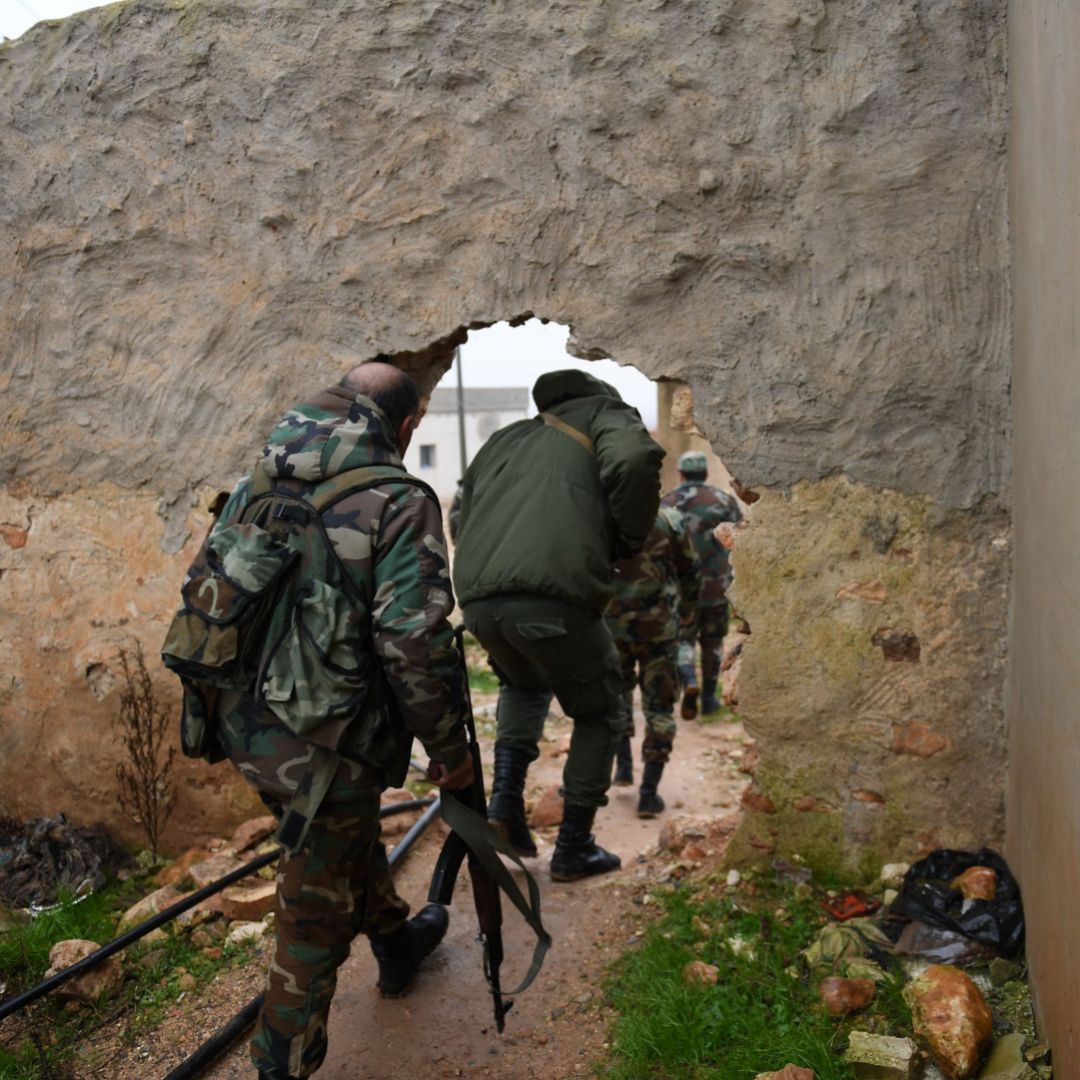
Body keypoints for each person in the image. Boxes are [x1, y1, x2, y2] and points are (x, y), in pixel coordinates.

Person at [196, 363, 473, 1080]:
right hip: (324, 743)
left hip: (239, 722)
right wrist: (449, 751)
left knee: (336, 840)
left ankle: (395, 942)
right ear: (404, 426)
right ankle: (279, 1065)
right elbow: (415, 641)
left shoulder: (258, 484)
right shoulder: (397, 498)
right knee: (312, 919)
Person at [452, 369, 664, 881]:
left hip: (481, 603)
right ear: (599, 397)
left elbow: (460, 513)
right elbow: (635, 459)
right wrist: (628, 541)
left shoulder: (507, 439)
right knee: (600, 712)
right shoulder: (604, 415)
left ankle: (504, 810)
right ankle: (574, 847)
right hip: (552, 599)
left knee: (523, 685)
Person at [605, 505, 700, 816]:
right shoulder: (670, 519)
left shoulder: (602, 513)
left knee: (616, 698)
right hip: (659, 629)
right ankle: (648, 793)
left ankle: (623, 768)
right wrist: (686, 611)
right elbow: (690, 569)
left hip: (611, 627)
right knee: (659, 708)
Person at [662, 450, 744, 718]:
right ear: (706, 474)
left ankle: (689, 682)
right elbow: (739, 539)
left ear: (681, 474)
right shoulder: (723, 500)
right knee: (712, 643)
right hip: (717, 587)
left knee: (682, 640)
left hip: (679, 588)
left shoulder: (667, 503)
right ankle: (709, 700)